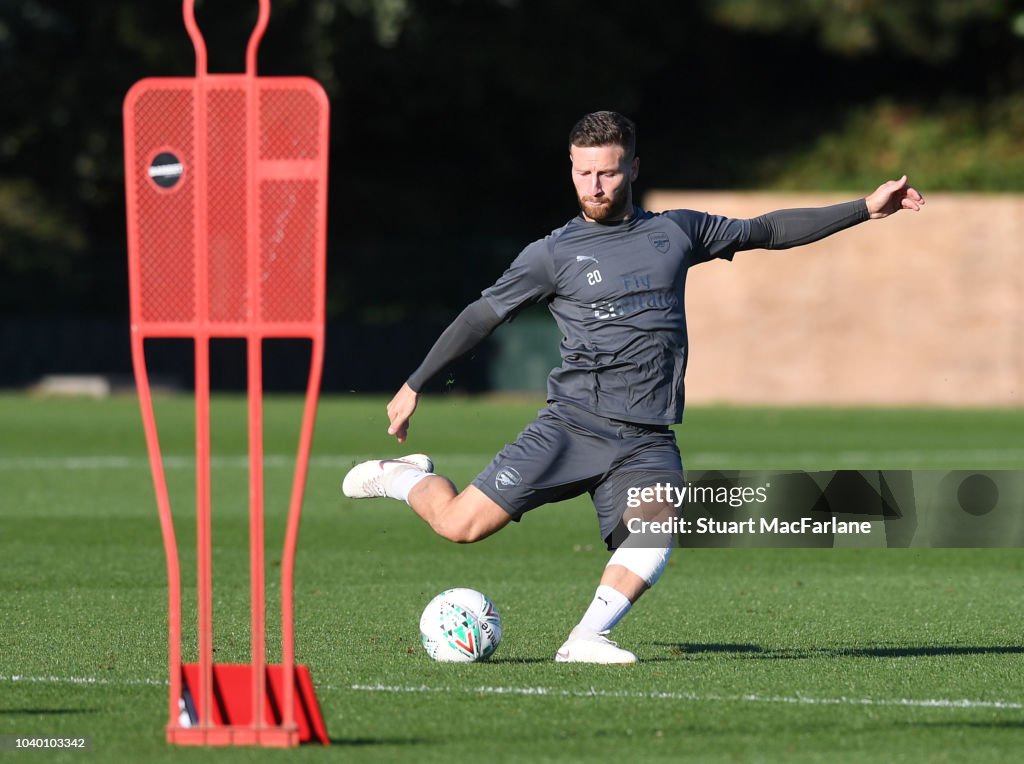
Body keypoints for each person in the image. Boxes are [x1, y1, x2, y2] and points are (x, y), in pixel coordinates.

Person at [342, 111, 925, 664]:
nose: (594, 184)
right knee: (459, 527)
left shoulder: (677, 232)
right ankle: (407, 477)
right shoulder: (552, 254)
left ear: (634, 169)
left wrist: (864, 209)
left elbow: (766, 230)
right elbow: (482, 315)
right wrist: (415, 383)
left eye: (608, 170)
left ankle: (584, 638)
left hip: (646, 438)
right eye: (583, 171)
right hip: (571, 426)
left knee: (659, 529)